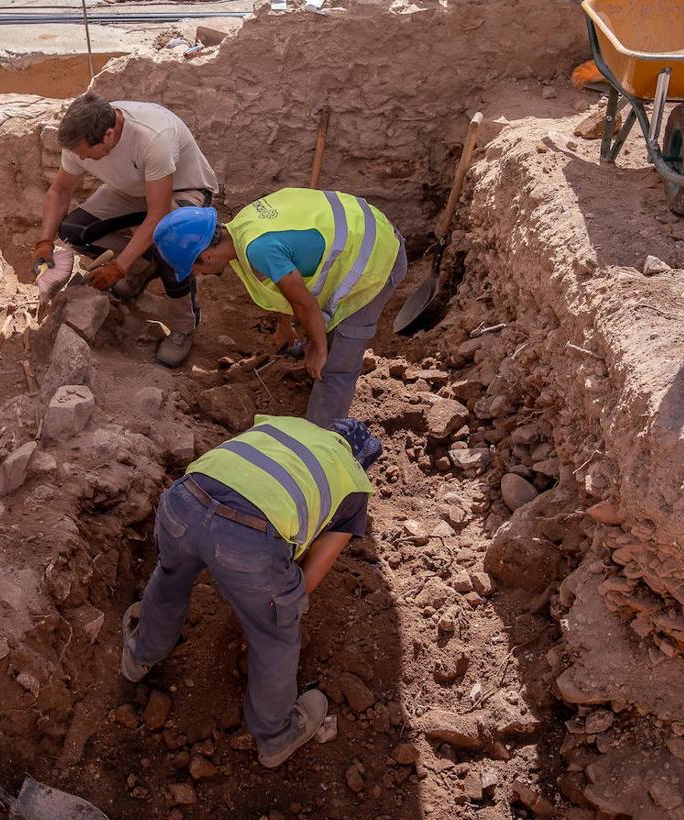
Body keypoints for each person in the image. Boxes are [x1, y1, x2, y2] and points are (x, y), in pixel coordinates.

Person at [120, 415, 382, 768]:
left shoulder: (284, 426)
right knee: (276, 635)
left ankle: (139, 656)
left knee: (170, 575)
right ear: (360, 461)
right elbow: (308, 580)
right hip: (247, 539)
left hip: (183, 500)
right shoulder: (354, 485)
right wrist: (270, 599)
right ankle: (277, 736)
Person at [151, 188, 408, 425]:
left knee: (336, 363)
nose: (196, 275)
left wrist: (319, 348)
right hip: (366, 226)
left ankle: (320, 442)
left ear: (206, 255)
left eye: (193, 268)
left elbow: (303, 303)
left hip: (376, 255)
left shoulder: (258, 248)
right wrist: (284, 326)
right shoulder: (244, 225)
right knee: (323, 334)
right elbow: (283, 282)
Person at [33, 93, 218, 367]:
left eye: (86, 153)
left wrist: (117, 267)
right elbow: (60, 190)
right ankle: (142, 268)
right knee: (74, 230)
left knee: (171, 249)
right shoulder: (78, 141)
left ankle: (183, 327)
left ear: (109, 135)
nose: (81, 158)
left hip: (183, 189)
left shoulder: (152, 137)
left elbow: (157, 215)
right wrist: (44, 241)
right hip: (133, 190)